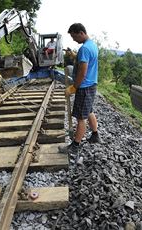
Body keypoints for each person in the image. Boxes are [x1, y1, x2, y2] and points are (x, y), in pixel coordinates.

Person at [59, 23, 101, 154]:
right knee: (88, 111)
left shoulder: (84, 49)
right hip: (91, 84)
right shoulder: (92, 45)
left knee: (81, 118)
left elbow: (82, 72)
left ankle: (75, 146)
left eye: (74, 36)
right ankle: (95, 135)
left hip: (84, 86)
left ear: (81, 33)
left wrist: (74, 87)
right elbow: (84, 60)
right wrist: (73, 55)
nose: (73, 40)